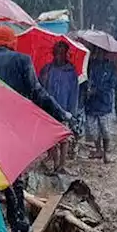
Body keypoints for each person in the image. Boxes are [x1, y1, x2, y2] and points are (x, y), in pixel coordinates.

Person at [0, 26, 70, 232]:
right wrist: (60, 113)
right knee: (13, 177)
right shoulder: (21, 61)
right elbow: (37, 92)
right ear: (11, 43)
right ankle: (18, 226)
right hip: (11, 130)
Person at [39, 40, 80, 172]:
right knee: (51, 138)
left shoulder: (71, 72)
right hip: (49, 108)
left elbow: (74, 92)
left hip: (64, 108)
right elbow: (40, 87)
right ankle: (56, 163)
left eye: (61, 53)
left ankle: (62, 165)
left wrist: (72, 112)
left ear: (66, 54)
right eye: (56, 53)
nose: (58, 56)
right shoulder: (47, 69)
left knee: (64, 138)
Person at [83, 47, 117, 162]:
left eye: (101, 51)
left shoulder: (111, 67)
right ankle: (98, 149)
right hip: (91, 103)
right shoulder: (89, 65)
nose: (98, 54)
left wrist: (97, 90)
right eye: (96, 51)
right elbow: (84, 78)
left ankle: (106, 152)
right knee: (93, 130)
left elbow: (112, 84)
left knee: (105, 129)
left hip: (104, 103)